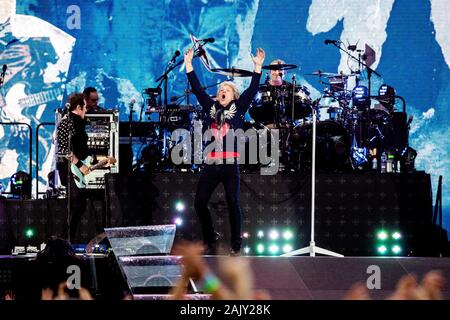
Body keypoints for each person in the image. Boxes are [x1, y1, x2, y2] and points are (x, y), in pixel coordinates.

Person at [184, 47, 265, 256]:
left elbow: (252, 90)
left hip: (230, 164)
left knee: (233, 202)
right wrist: (189, 65)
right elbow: (198, 89)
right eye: (221, 88)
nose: (222, 90)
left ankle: (236, 245)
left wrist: (257, 67)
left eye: (226, 89)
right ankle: (210, 238)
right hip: (211, 164)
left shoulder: (239, 107)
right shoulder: (211, 108)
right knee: (199, 202)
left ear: (233, 95)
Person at [56, 93, 90, 243]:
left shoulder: (76, 122)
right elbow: (64, 149)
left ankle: (66, 242)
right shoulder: (68, 122)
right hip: (69, 167)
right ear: (78, 107)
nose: (87, 110)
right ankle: (62, 242)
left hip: (74, 167)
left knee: (79, 205)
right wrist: (80, 165)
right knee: (76, 205)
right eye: (85, 107)